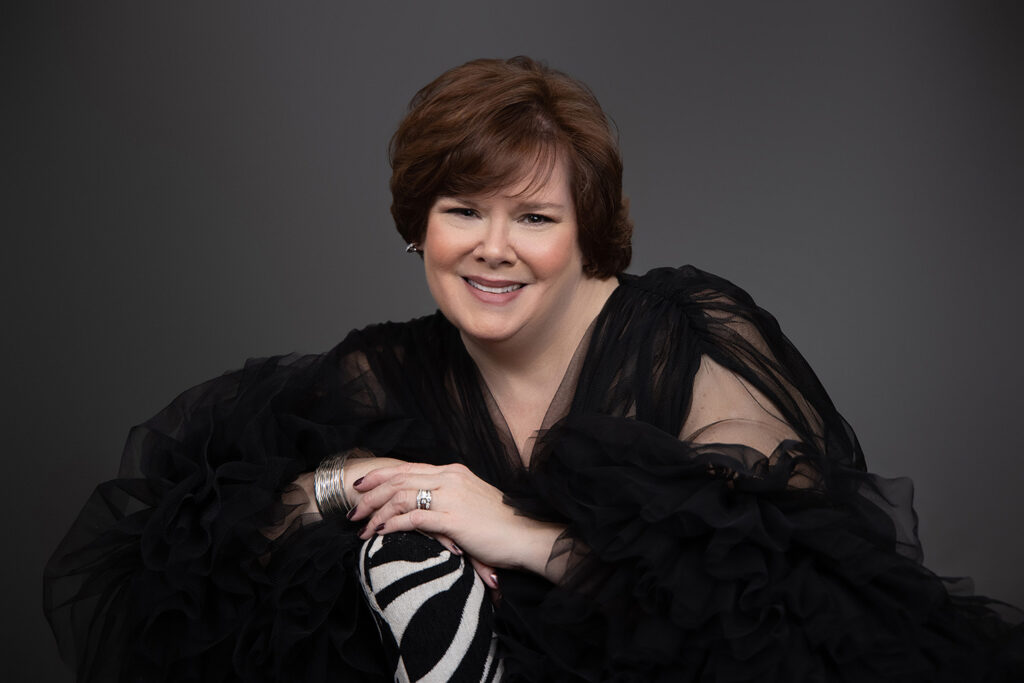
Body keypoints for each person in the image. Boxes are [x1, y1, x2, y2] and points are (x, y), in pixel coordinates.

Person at [45, 56, 1022, 682]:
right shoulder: (384, 369)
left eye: (535, 217)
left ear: (587, 233)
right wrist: (365, 486)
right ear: (417, 226)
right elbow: (201, 550)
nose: (492, 249)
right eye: (462, 210)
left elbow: (788, 605)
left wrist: (514, 530)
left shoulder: (688, 344)